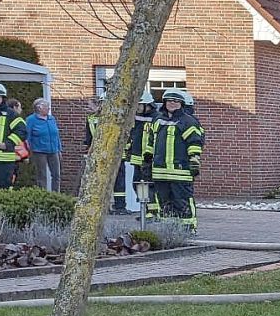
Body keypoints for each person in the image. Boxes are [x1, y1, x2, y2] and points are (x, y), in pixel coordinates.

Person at [144, 88, 202, 231]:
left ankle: (188, 229)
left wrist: (194, 160)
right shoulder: (158, 120)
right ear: (164, 102)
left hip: (180, 171)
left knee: (182, 201)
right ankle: (169, 229)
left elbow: (194, 142)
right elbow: (151, 141)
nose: (172, 103)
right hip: (160, 171)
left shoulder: (187, 121)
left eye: (176, 101)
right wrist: (146, 159)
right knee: (164, 202)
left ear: (182, 104)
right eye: (169, 100)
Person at [84, 94, 127, 214]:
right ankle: (104, 206)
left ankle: (120, 206)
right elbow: (89, 137)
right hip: (100, 155)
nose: (88, 108)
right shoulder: (91, 118)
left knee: (119, 181)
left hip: (115, 154)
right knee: (101, 181)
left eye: (90, 105)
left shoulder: (114, 117)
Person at [127, 91, 158, 219]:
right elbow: (132, 135)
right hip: (137, 158)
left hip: (149, 159)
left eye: (140, 105)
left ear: (148, 105)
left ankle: (153, 211)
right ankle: (145, 209)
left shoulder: (157, 118)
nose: (138, 107)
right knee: (137, 184)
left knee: (149, 185)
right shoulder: (136, 118)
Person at [25, 98, 62, 192]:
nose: (49, 108)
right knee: (42, 175)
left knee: (56, 175)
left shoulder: (51, 118)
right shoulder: (31, 120)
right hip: (39, 151)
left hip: (54, 151)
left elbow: (56, 135)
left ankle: (56, 195)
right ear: (39, 107)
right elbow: (27, 136)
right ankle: (43, 194)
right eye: (46, 106)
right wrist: (28, 151)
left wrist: (59, 149)